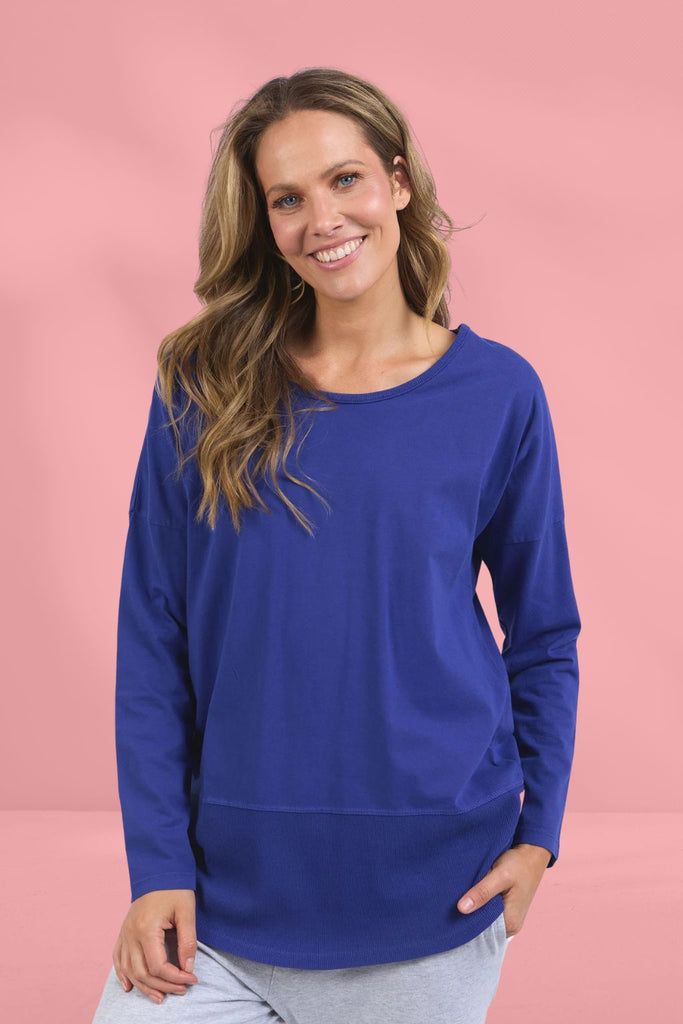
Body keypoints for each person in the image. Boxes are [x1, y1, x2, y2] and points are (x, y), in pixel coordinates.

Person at [91, 67, 581, 1024]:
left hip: (433, 894)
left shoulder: (497, 393)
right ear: (264, 222)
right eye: (287, 198)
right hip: (218, 903)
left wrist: (541, 837)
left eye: (345, 179)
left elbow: (543, 633)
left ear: (396, 182)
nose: (322, 218)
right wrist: (156, 866)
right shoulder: (202, 385)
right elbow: (152, 632)